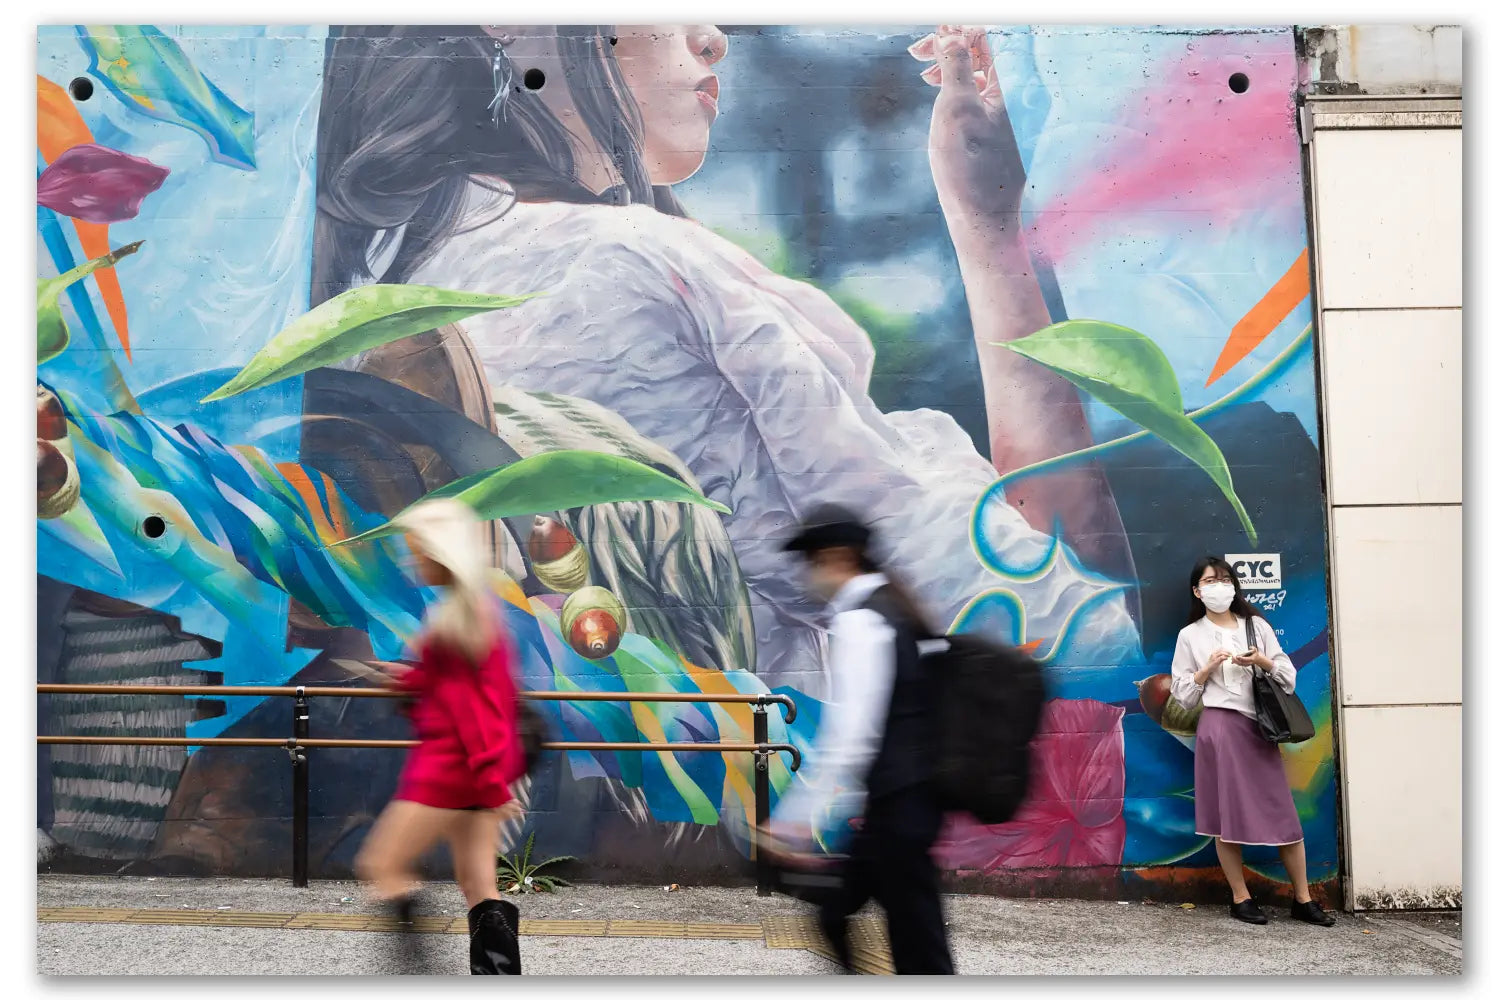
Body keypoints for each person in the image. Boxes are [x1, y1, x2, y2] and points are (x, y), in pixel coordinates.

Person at [311, 24, 1141, 700]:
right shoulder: (637, 264)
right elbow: (1068, 634)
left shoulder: (394, 287)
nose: (712, 38)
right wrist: (990, 232)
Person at [767, 505, 955, 975]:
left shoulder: (861, 622)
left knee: (918, 952)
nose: (808, 575)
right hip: (907, 805)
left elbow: (851, 735)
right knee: (843, 915)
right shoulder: (896, 608)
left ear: (837, 557)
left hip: (899, 809)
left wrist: (795, 818)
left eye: (811, 562)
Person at [354, 498, 530, 974]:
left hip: (448, 771)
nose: (412, 560)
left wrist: (491, 784)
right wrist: (409, 677)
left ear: (439, 552)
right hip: (476, 771)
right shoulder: (473, 611)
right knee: (478, 885)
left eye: (416, 550)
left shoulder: (455, 620)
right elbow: (465, 690)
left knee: (382, 866)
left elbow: (476, 712)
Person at [1169, 555, 1335, 928]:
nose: (1219, 586)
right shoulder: (1190, 635)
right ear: (1197, 591)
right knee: (1225, 816)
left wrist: (1261, 660)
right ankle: (1240, 897)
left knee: (1283, 812)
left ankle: (1303, 898)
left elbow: (1288, 676)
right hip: (1219, 729)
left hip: (1259, 729)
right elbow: (1183, 696)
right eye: (1210, 581)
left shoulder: (1256, 626)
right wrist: (1207, 669)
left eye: (1224, 579)